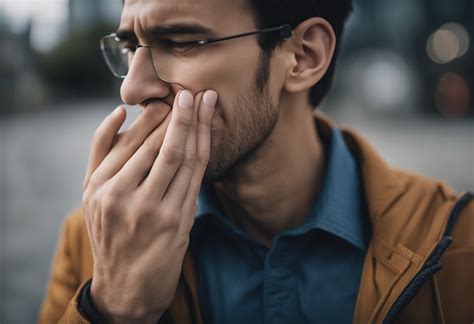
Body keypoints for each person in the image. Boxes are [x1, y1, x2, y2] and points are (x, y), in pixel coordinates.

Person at [39, 0, 473, 323]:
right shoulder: (95, 241)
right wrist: (113, 308)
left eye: (179, 43)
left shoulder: (458, 247)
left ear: (304, 57)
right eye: (131, 47)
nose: (131, 90)